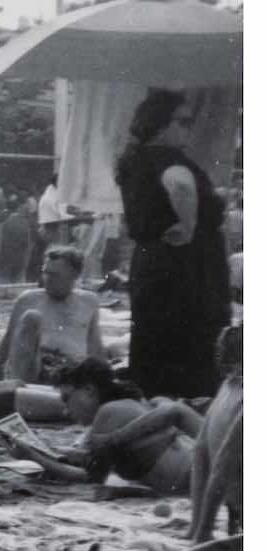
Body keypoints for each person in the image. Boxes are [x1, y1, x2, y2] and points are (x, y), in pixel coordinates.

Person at [115, 88, 231, 401]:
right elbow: (179, 182)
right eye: (183, 121)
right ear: (159, 123)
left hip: (152, 262)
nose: (188, 128)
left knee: (156, 343)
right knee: (194, 343)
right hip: (185, 266)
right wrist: (190, 223)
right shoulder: (167, 157)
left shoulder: (133, 160)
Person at [6, 358, 200, 495]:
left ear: (89, 390)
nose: (66, 410)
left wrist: (33, 457)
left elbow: (91, 479)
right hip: (197, 475)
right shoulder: (129, 403)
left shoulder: (108, 413)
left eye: (67, 399)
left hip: (195, 481)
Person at [0, 245, 106, 384]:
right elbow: (9, 341)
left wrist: (106, 380)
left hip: (70, 373)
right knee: (32, 317)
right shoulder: (28, 299)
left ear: (74, 275)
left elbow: (95, 346)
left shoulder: (89, 302)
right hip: (34, 370)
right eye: (45, 272)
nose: (47, 279)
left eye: (54, 275)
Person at [0, 198, 32, 284]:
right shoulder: (25, 222)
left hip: (8, 260)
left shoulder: (6, 224)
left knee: (7, 286)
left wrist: (0, 260)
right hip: (21, 259)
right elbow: (28, 242)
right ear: (18, 208)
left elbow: (3, 244)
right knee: (19, 283)